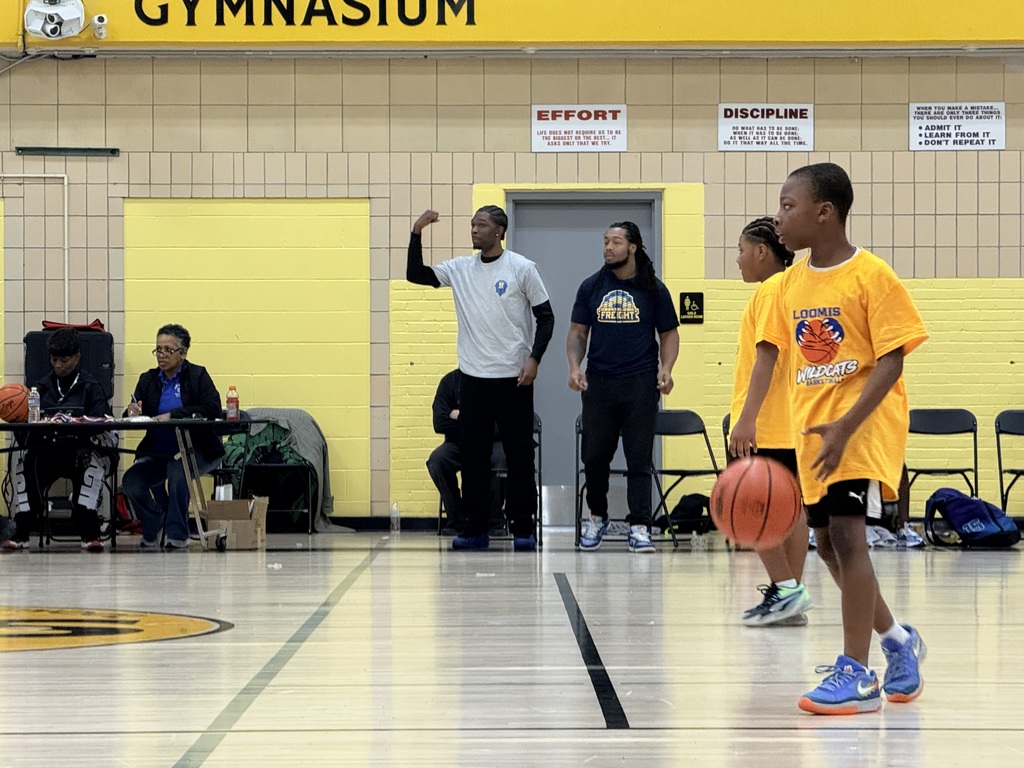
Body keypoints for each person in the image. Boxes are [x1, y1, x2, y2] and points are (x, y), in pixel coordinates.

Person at [744, 163, 928, 715]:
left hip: (862, 428)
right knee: (827, 548)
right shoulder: (789, 285)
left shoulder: (872, 276)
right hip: (812, 432)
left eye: (787, 205)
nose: (778, 217)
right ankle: (898, 642)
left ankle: (858, 672)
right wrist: (748, 418)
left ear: (824, 213)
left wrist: (848, 424)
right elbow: (769, 352)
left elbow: (892, 360)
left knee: (849, 541)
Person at [407, 206, 554, 551]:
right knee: (473, 459)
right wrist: (416, 233)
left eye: (482, 225)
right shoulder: (460, 269)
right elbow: (416, 275)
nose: (474, 229)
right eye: (472, 223)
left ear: (500, 231)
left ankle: (522, 529)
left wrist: (534, 359)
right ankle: (474, 529)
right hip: (473, 378)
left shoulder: (522, 268)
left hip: (513, 379)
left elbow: (546, 318)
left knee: (520, 457)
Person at [567, 221, 679, 554]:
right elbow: (577, 333)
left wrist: (667, 369)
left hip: (640, 384)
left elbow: (669, 334)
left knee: (638, 460)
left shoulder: (653, 289)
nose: (608, 247)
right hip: (600, 384)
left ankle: (640, 526)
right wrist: (575, 368)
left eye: (615, 242)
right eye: (605, 241)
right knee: (596, 458)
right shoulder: (592, 287)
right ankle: (597, 516)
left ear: (632, 247)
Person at [727, 217, 812, 626]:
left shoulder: (770, 290)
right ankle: (790, 598)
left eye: (741, 251)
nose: (738, 259)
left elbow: (767, 356)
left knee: (749, 507)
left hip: (769, 423)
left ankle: (785, 587)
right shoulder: (794, 286)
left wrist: (746, 420)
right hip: (793, 420)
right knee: (793, 511)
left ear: (762, 251)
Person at [2, 328, 115, 552]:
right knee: (25, 466)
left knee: (90, 469)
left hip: (81, 451)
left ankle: (90, 534)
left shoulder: (91, 387)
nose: (58, 365)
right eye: (54, 359)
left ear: (77, 357)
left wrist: (82, 438)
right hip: (48, 451)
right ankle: (21, 533)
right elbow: (25, 429)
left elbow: (101, 424)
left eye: (64, 359)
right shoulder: (39, 389)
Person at [122, 324, 224, 552]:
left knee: (178, 472)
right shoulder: (148, 379)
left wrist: (173, 414)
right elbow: (130, 413)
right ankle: (154, 522)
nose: (162, 355)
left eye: (168, 350)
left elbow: (213, 408)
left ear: (183, 352)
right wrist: (131, 412)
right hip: (158, 452)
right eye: (158, 350)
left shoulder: (197, 375)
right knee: (131, 482)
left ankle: (177, 535)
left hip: (196, 450)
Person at [427, 369, 507, 535]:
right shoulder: (449, 382)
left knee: (501, 461)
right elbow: (439, 422)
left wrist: (460, 416)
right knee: (437, 460)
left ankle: (494, 521)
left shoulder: (496, 379)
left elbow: (503, 424)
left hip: (493, 441)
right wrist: (479, 421)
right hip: (458, 442)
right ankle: (458, 518)